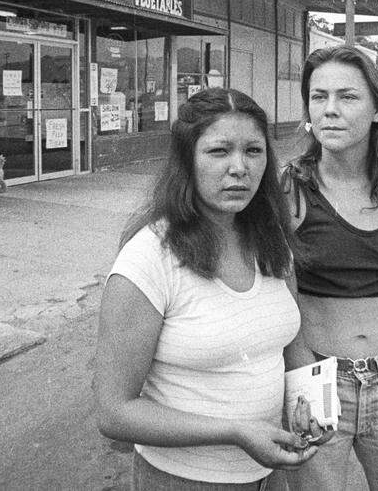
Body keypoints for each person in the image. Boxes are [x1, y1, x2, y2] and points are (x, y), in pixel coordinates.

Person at [94, 87, 319, 490]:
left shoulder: (271, 241)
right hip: (184, 480)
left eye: (253, 151)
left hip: (270, 477)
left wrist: (314, 409)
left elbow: (293, 341)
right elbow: (114, 413)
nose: (239, 168)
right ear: (187, 162)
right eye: (219, 151)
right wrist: (235, 431)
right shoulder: (147, 259)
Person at [283, 45, 378, 491]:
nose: (329, 110)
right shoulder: (288, 188)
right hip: (317, 377)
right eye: (319, 97)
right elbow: (282, 299)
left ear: (377, 110)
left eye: (347, 97)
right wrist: (304, 389)